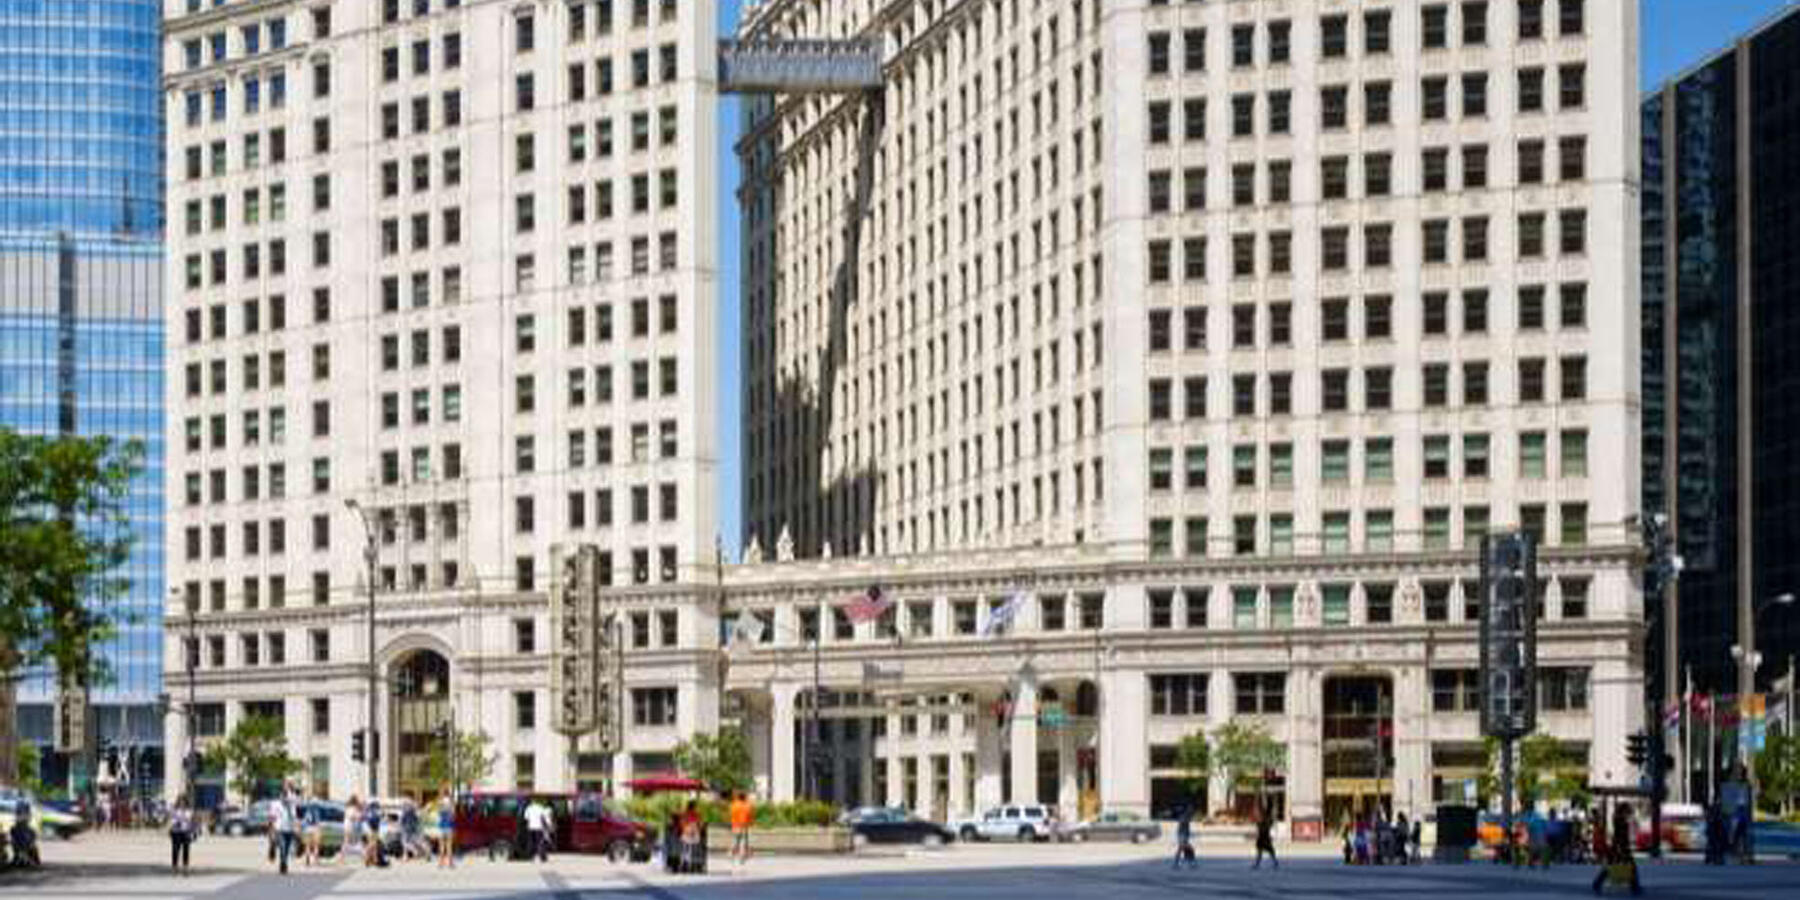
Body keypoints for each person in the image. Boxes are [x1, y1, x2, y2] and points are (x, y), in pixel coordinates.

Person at [1592, 801, 1642, 896]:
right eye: (1628, 811)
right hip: (1620, 848)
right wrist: (1620, 848)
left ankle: (1634, 886)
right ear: (1624, 810)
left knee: (1613, 866)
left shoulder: (1619, 819)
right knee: (1630, 867)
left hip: (1619, 847)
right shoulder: (1620, 820)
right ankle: (1634, 886)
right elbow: (1619, 836)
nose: (1629, 813)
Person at [270, 793, 297, 875]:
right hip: (280, 829)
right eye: (284, 797)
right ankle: (283, 864)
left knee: (287, 849)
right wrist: (272, 829)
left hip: (289, 830)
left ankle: (283, 862)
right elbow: (272, 817)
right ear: (281, 797)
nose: (285, 799)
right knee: (282, 847)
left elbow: (294, 817)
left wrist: (295, 828)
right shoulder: (276, 805)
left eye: (287, 798)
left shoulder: (291, 806)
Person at [729, 791, 755, 869]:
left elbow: (731, 814)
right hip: (744, 826)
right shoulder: (747, 806)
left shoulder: (734, 805)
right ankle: (741, 858)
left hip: (735, 825)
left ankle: (731, 854)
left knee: (735, 841)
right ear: (744, 797)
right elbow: (750, 815)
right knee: (743, 842)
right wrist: (750, 823)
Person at [168, 802, 195, 875]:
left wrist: (192, 831)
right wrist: (176, 822)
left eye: (184, 802)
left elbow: (192, 822)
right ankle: (174, 868)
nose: (182, 804)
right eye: (180, 802)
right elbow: (171, 820)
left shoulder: (189, 811)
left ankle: (185, 868)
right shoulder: (175, 811)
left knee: (186, 851)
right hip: (176, 832)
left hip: (186, 832)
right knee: (175, 850)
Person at [524, 797, 553, 863]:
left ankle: (531, 857)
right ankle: (542, 857)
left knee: (531, 842)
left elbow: (526, 818)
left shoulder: (528, 808)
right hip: (539, 827)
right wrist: (549, 826)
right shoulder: (541, 808)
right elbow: (545, 818)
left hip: (531, 827)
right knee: (540, 843)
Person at [1252, 801, 1278, 870]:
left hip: (1263, 837)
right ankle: (1275, 862)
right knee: (1269, 851)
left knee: (1261, 852)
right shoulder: (1266, 821)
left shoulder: (1263, 821)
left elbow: (1259, 823)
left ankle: (1258, 864)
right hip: (1264, 837)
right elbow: (1270, 822)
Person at [679, 800, 703, 873]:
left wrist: (685, 829)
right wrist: (697, 828)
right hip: (693, 832)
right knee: (692, 850)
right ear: (694, 807)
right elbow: (700, 823)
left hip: (687, 831)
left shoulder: (684, 814)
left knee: (685, 849)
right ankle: (691, 864)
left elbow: (682, 823)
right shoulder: (696, 814)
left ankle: (684, 863)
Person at [436, 793, 456, 869]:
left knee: (441, 845)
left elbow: (438, 812)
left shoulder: (441, 807)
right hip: (449, 827)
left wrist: (440, 802)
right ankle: (450, 863)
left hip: (441, 827)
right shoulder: (451, 808)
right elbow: (453, 817)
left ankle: (441, 863)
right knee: (449, 845)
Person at [301, 798, 322, 867]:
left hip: (307, 829)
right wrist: (319, 828)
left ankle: (307, 858)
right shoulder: (316, 811)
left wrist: (303, 827)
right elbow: (317, 822)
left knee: (307, 845)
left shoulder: (307, 812)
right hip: (314, 828)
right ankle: (316, 860)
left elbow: (305, 821)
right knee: (316, 845)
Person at [343, 796, 363, 867]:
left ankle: (343, 857)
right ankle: (342, 857)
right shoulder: (352, 808)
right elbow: (352, 816)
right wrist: (357, 816)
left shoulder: (348, 808)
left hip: (348, 825)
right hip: (349, 825)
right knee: (348, 841)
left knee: (348, 841)